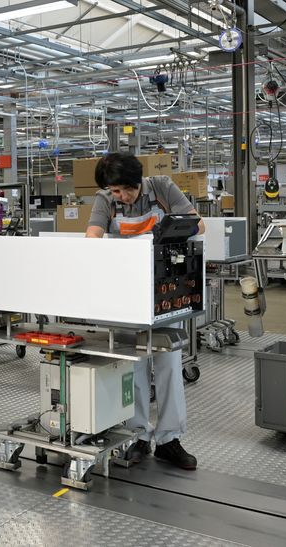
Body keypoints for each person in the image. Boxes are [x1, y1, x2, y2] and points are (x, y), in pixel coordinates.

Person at [86, 152, 205, 470]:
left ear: (139, 182)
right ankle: (138, 435)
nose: (122, 197)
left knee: (168, 365)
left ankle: (169, 440)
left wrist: (167, 237)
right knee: (134, 367)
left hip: (166, 291)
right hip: (126, 295)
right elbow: (92, 235)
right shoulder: (105, 199)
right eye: (116, 192)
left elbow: (199, 224)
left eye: (127, 189)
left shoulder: (163, 188)